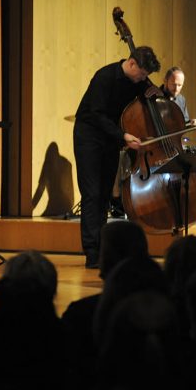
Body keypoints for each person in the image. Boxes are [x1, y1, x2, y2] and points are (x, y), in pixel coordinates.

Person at [73, 46, 161, 268]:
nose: (143, 79)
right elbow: (96, 115)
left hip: (111, 139)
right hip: (89, 137)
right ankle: (92, 252)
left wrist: (156, 91)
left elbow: (150, 95)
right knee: (91, 194)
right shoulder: (104, 77)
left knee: (104, 195)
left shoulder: (137, 81)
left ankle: (102, 249)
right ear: (132, 64)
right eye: (142, 74)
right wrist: (123, 135)